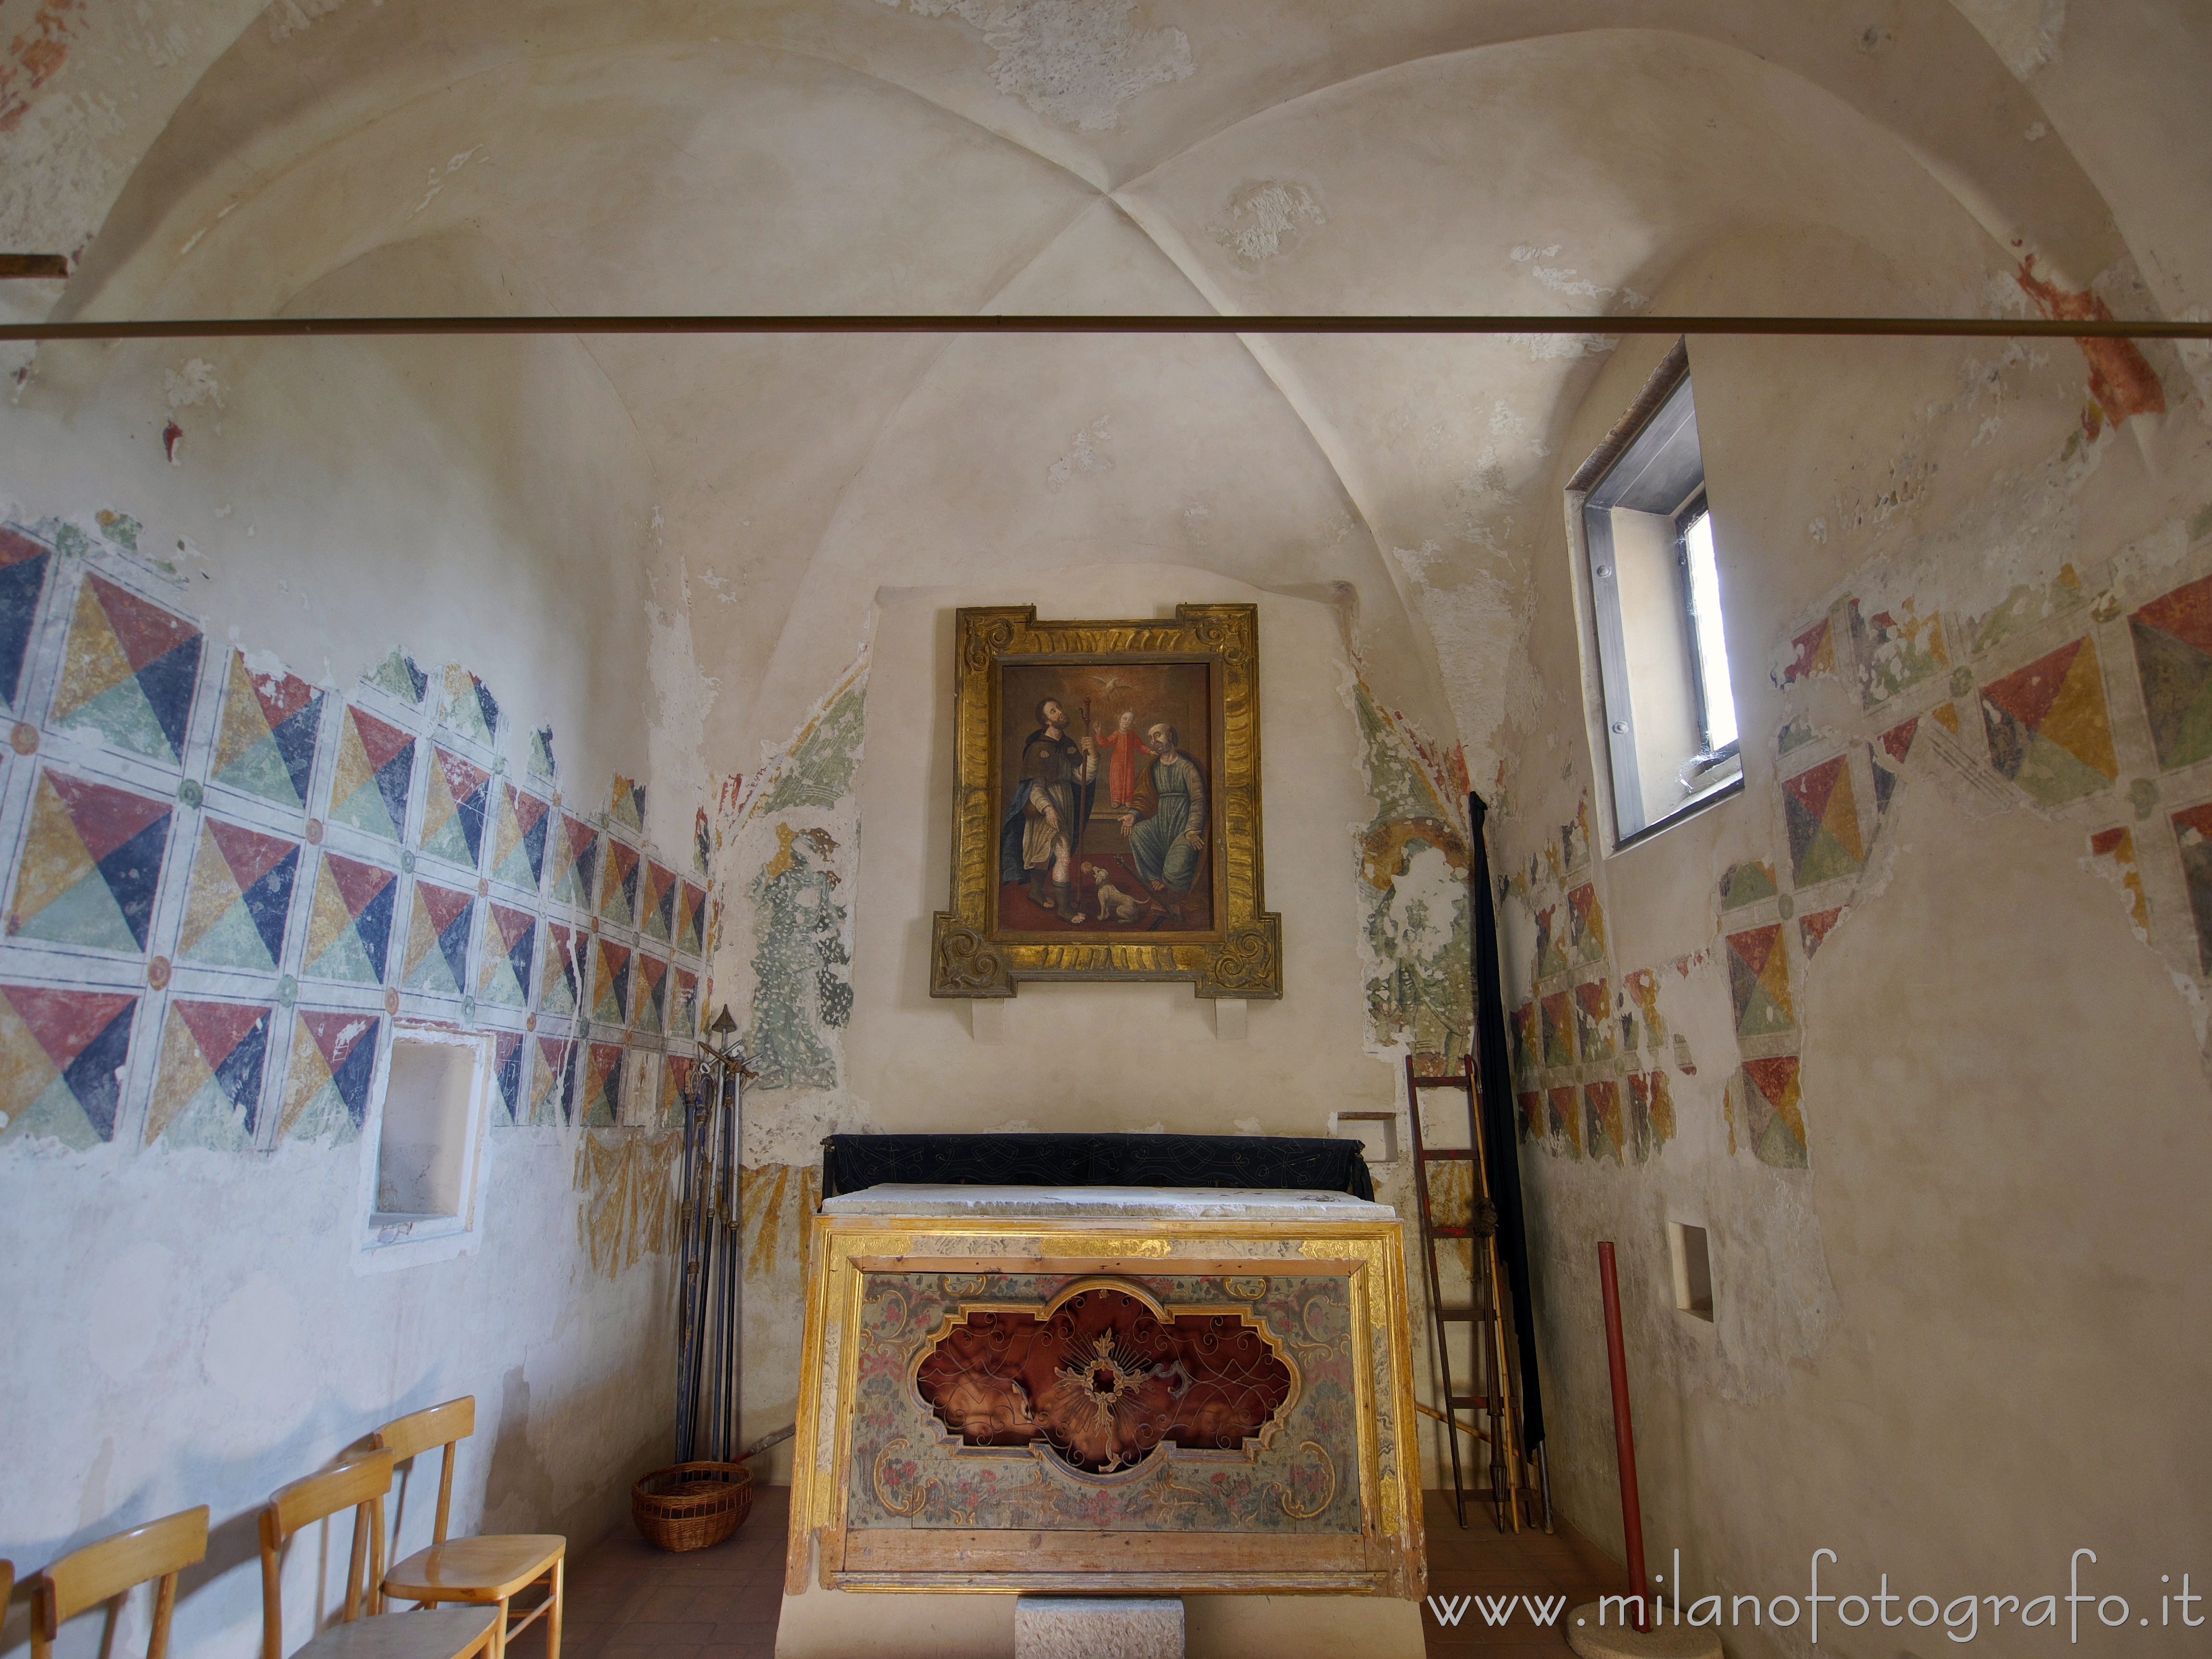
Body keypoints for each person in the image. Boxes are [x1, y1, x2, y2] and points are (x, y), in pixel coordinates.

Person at [998, 697, 1095, 921]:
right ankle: (1065, 908)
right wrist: (1049, 809)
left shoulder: (1068, 745)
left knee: (1044, 855)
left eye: (1059, 707)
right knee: (1062, 855)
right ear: (1047, 721)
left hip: (1066, 801)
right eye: (1053, 711)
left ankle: (1035, 891)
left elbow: (1082, 779)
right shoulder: (1038, 748)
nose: (1060, 712)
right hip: (1044, 806)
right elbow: (1034, 787)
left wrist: (1094, 755)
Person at [1117, 722, 1206, 923]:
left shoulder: (1187, 767)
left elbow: (1199, 800)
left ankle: (1171, 888)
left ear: (1171, 736)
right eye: (1150, 738)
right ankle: (1156, 877)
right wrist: (1133, 815)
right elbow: (1145, 797)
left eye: (1158, 735)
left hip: (1184, 826)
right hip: (1162, 822)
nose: (1154, 741)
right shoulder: (1154, 768)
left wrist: (1192, 829)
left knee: (1175, 870)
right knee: (1138, 832)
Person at [1098, 709, 1147, 809]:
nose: (1127, 722)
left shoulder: (1132, 734)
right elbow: (1106, 743)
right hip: (1117, 763)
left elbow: (1140, 746)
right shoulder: (1116, 734)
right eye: (1125, 719)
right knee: (1117, 780)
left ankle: (1128, 799)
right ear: (1119, 720)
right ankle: (1116, 800)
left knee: (1129, 780)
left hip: (1129, 763)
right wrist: (1099, 734)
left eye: (1130, 720)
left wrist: (1149, 751)